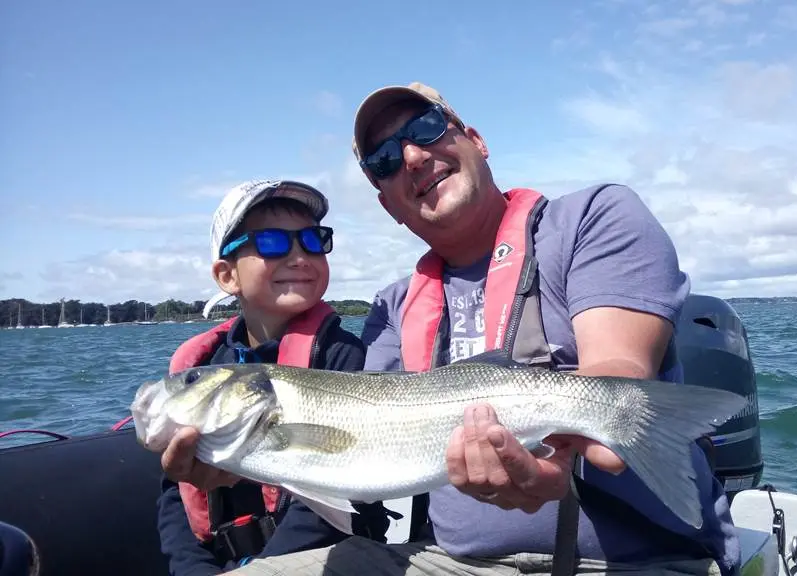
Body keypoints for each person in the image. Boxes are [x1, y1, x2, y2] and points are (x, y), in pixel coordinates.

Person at [163, 85, 740, 576]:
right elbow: (359, 461)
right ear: (388, 204)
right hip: (448, 563)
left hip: (632, 563)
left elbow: (618, 374)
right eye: (384, 160)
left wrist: (563, 461)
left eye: (427, 128)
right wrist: (252, 459)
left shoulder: (593, 218)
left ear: (476, 140)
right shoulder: (392, 308)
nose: (411, 155)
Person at [154, 179, 393, 575]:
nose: (299, 255)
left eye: (313, 240)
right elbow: (174, 493)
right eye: (271, 242)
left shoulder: (341, 356)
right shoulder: (208, 371)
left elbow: (324, 497)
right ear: (227, 275)